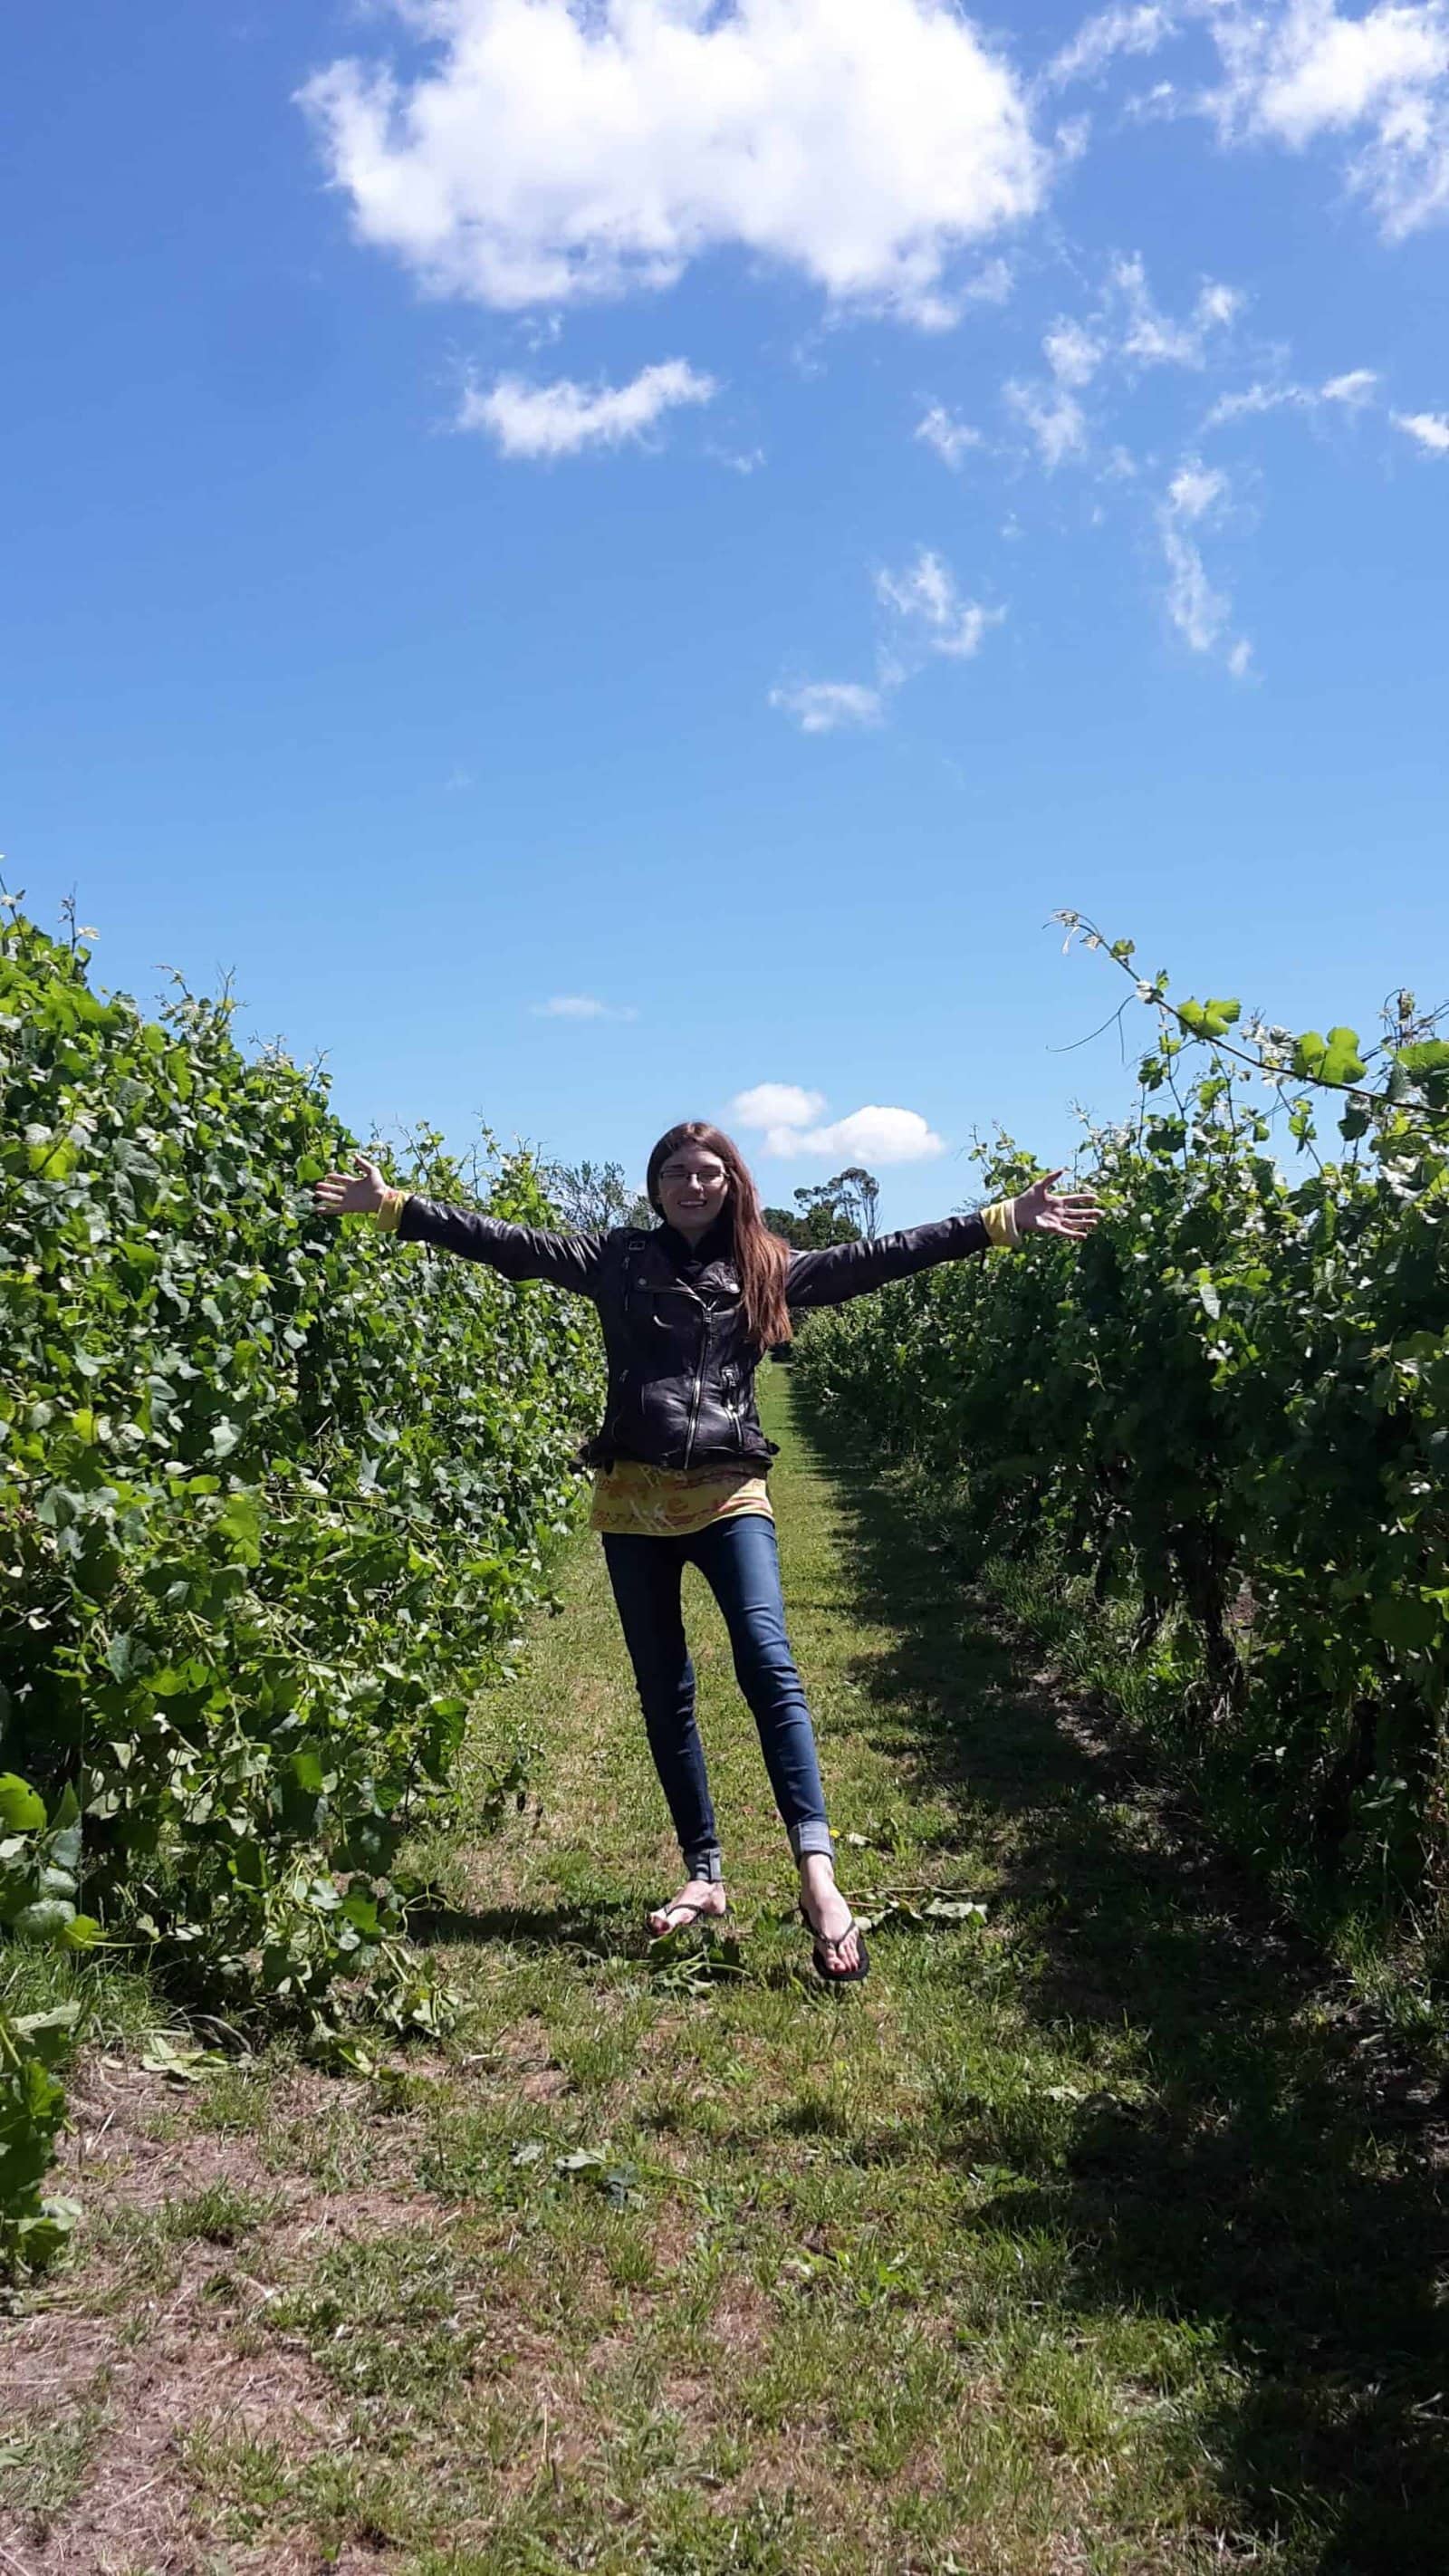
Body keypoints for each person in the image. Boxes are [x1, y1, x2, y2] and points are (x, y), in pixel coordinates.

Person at [314, 1123, 1099, 1983]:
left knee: (769, 1662)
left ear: (733, 1183)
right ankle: (706, 1873)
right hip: (633, 1498)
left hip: (729, 1491)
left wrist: (992, 1222)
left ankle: (819, 1880)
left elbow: (879, 1256)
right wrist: (395, 1207)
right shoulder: (615, 1260)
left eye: (709, 1172)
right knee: (665, 1688)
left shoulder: (767, 1265)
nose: (693, 1185)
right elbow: (511, 1246)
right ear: (655, 1184)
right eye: (677, 1172)